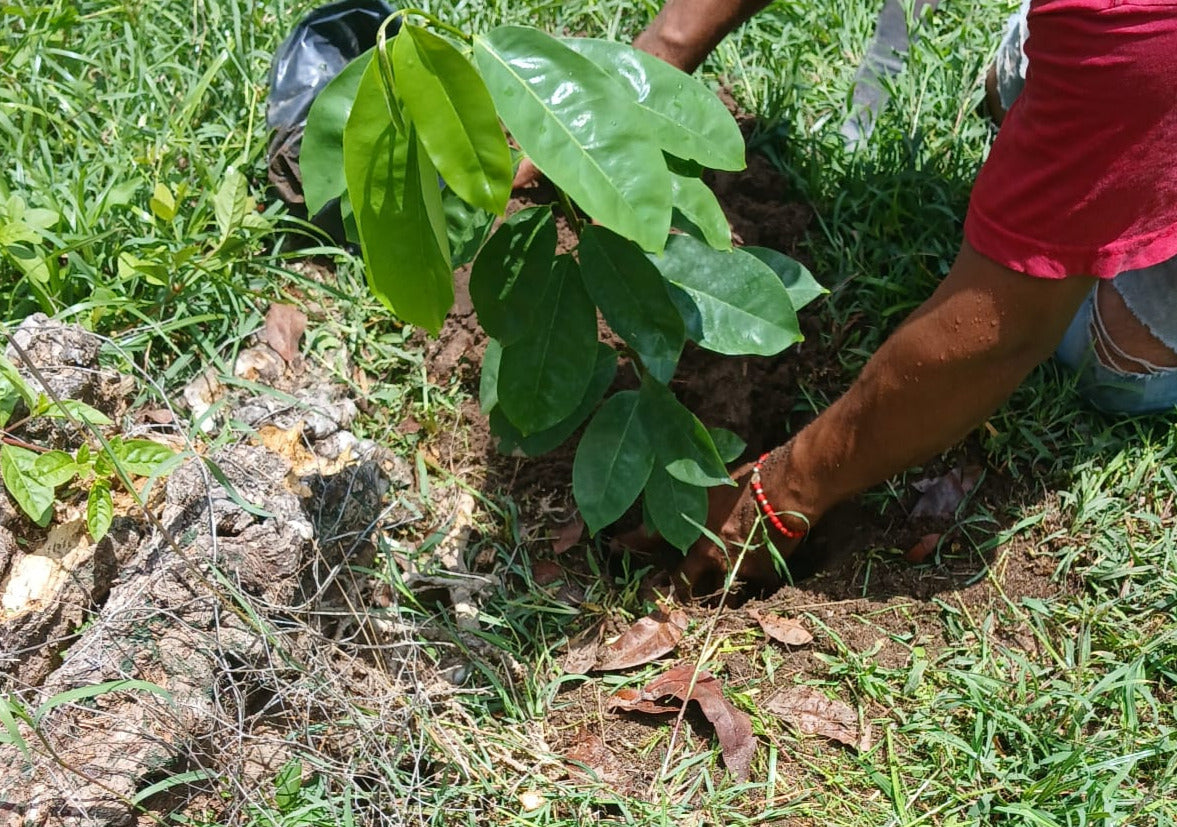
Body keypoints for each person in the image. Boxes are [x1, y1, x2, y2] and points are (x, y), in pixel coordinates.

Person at [589, 0, 1177, 595]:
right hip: (1125, 53)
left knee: (1116, 361)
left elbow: (1001, 332)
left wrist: (783, 492)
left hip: (1144, 48)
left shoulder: (1128, 20)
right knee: (1024, 80)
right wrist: (656, 57)